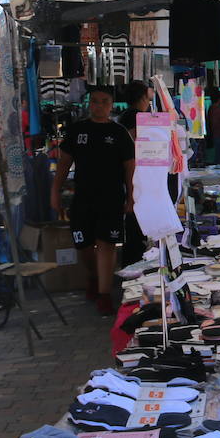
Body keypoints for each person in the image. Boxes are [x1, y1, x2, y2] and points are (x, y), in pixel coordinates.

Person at [50, 85, 135, 315]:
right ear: (89, 103)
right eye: (95, 101)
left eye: (104, 101)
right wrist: (55, 192)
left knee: (107, 244)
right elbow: (64, 164)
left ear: (112, 105)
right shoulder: (77, 130)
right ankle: (93, 277)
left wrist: (131, 196)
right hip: (83, 197)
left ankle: (104, 294)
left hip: (112, 197)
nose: (99, 106)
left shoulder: (119, 133)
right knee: (84, 245)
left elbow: (129, 168)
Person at [116, 81, 151, 268]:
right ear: (143, 97)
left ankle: (131, 260)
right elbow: (138, 145)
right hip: (135, 174)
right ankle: (133, 263)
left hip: (130, 174)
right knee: (135, 222)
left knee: (134, 222)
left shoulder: (125, 116)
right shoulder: (137, 117)